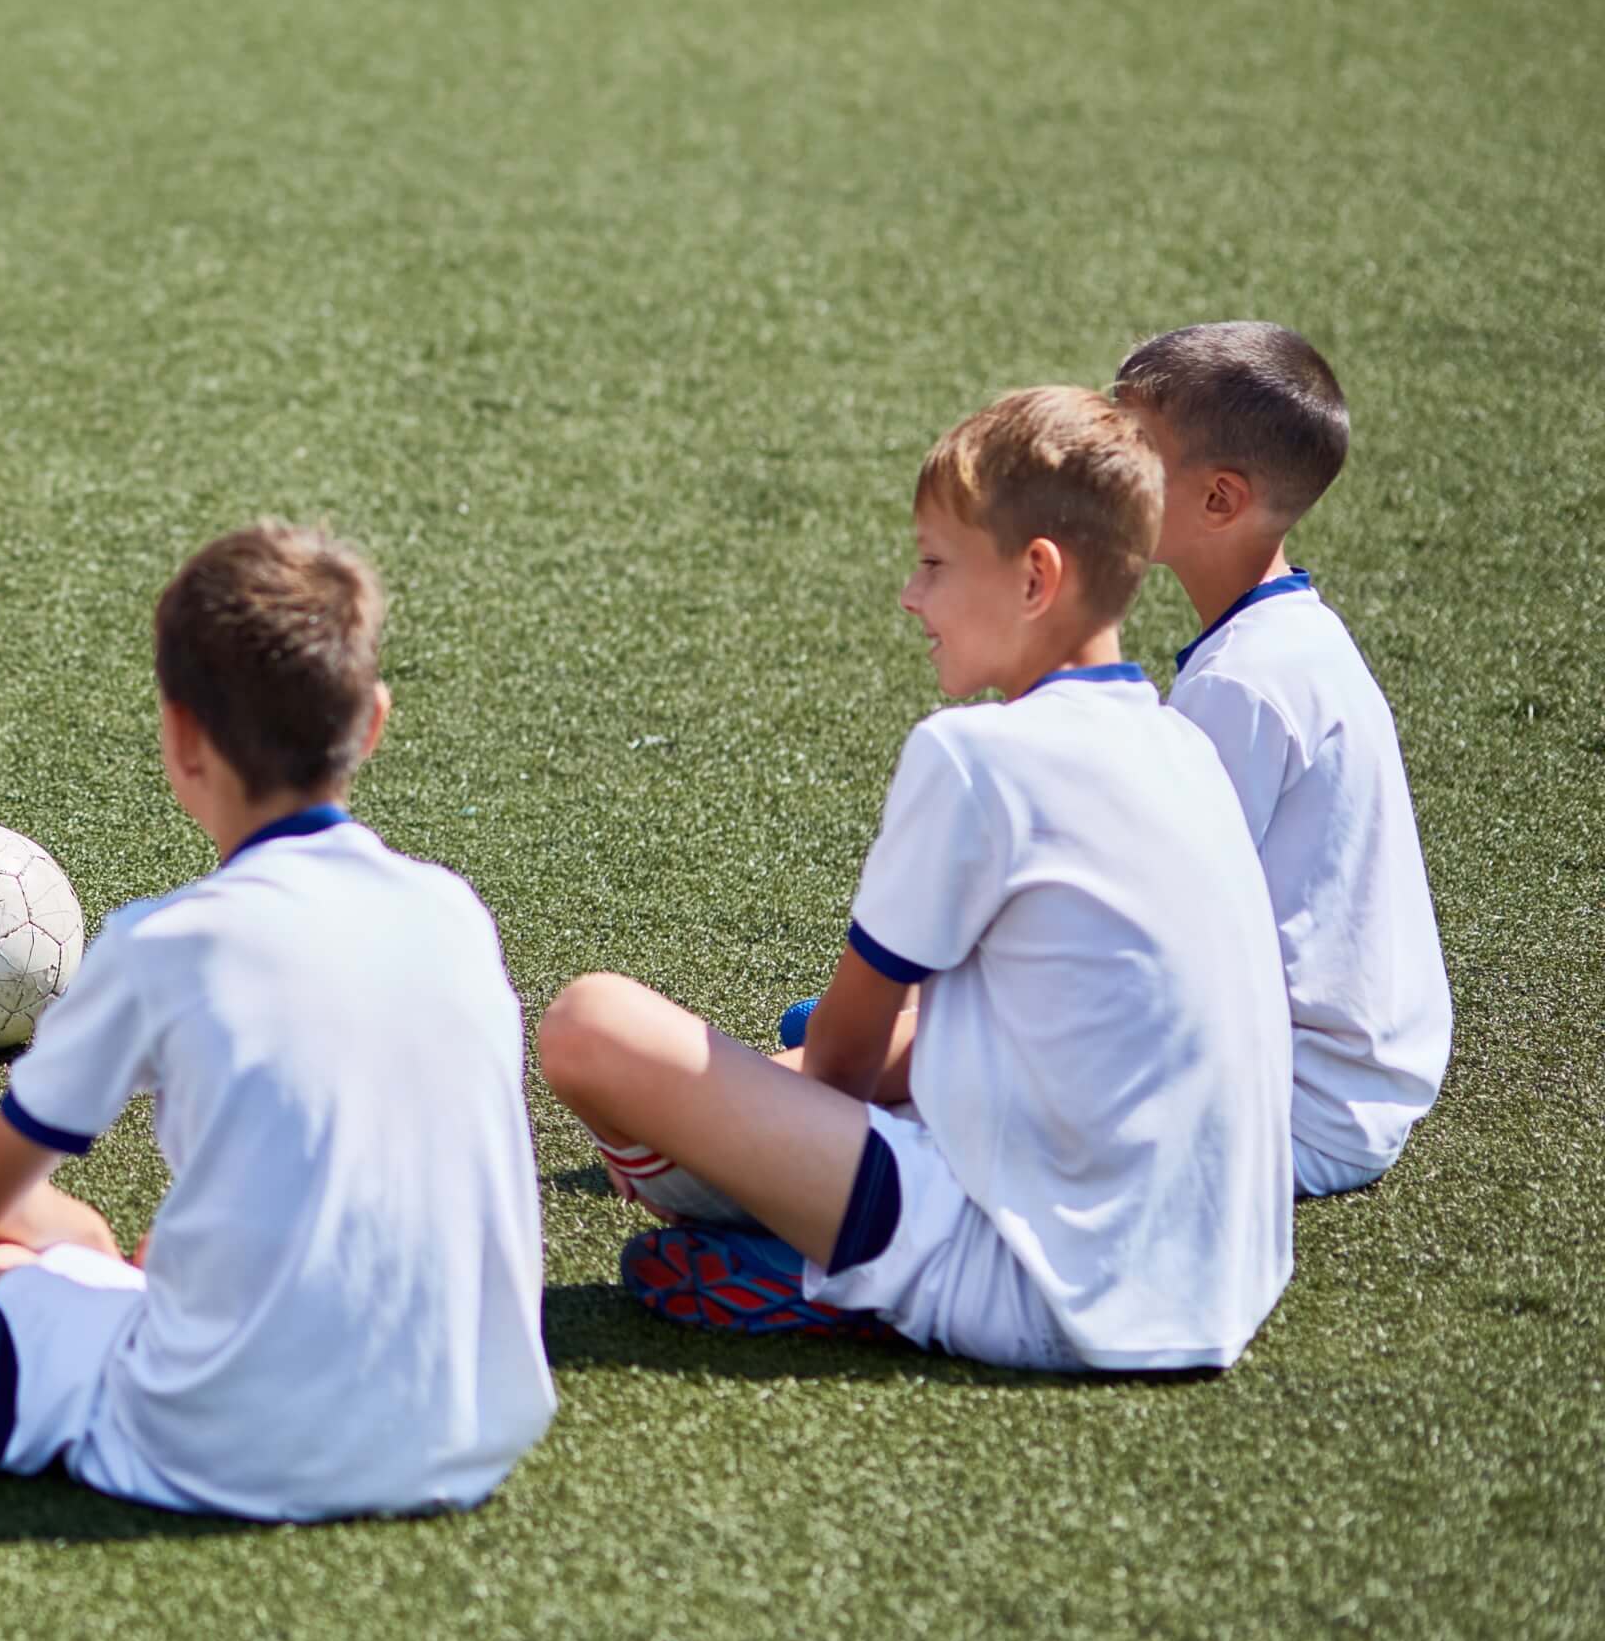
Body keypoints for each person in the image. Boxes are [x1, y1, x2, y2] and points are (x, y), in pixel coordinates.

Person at [542, 388, 1293, 1371]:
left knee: (592, 1027)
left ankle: (833, 1275)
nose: (909, 594)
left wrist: (701, 1123)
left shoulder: (978, 754)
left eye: (934, 563)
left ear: (1035, 576)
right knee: (890, 1049)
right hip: (1218, 1278)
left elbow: (846, 1058)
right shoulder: (1181, 746)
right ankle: (813, 1243)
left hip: (1038, 1283)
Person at [0, 526, 554, 1521]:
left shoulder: (163, 943)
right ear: (372, 721)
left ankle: (40, 1335)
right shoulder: (454, 914)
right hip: (470, 1429)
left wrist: (62, 1237)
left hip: (216, 1441)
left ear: (180, 736)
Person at [1116, 322, 1449, 1197]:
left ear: (1220, 500)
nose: (1100, 464)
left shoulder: (1245, 686)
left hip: (1290, 1108)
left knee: (938, 1100)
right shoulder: (1287, 639)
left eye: (1133, 448)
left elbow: (1141, 931)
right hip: (1343, 1085)